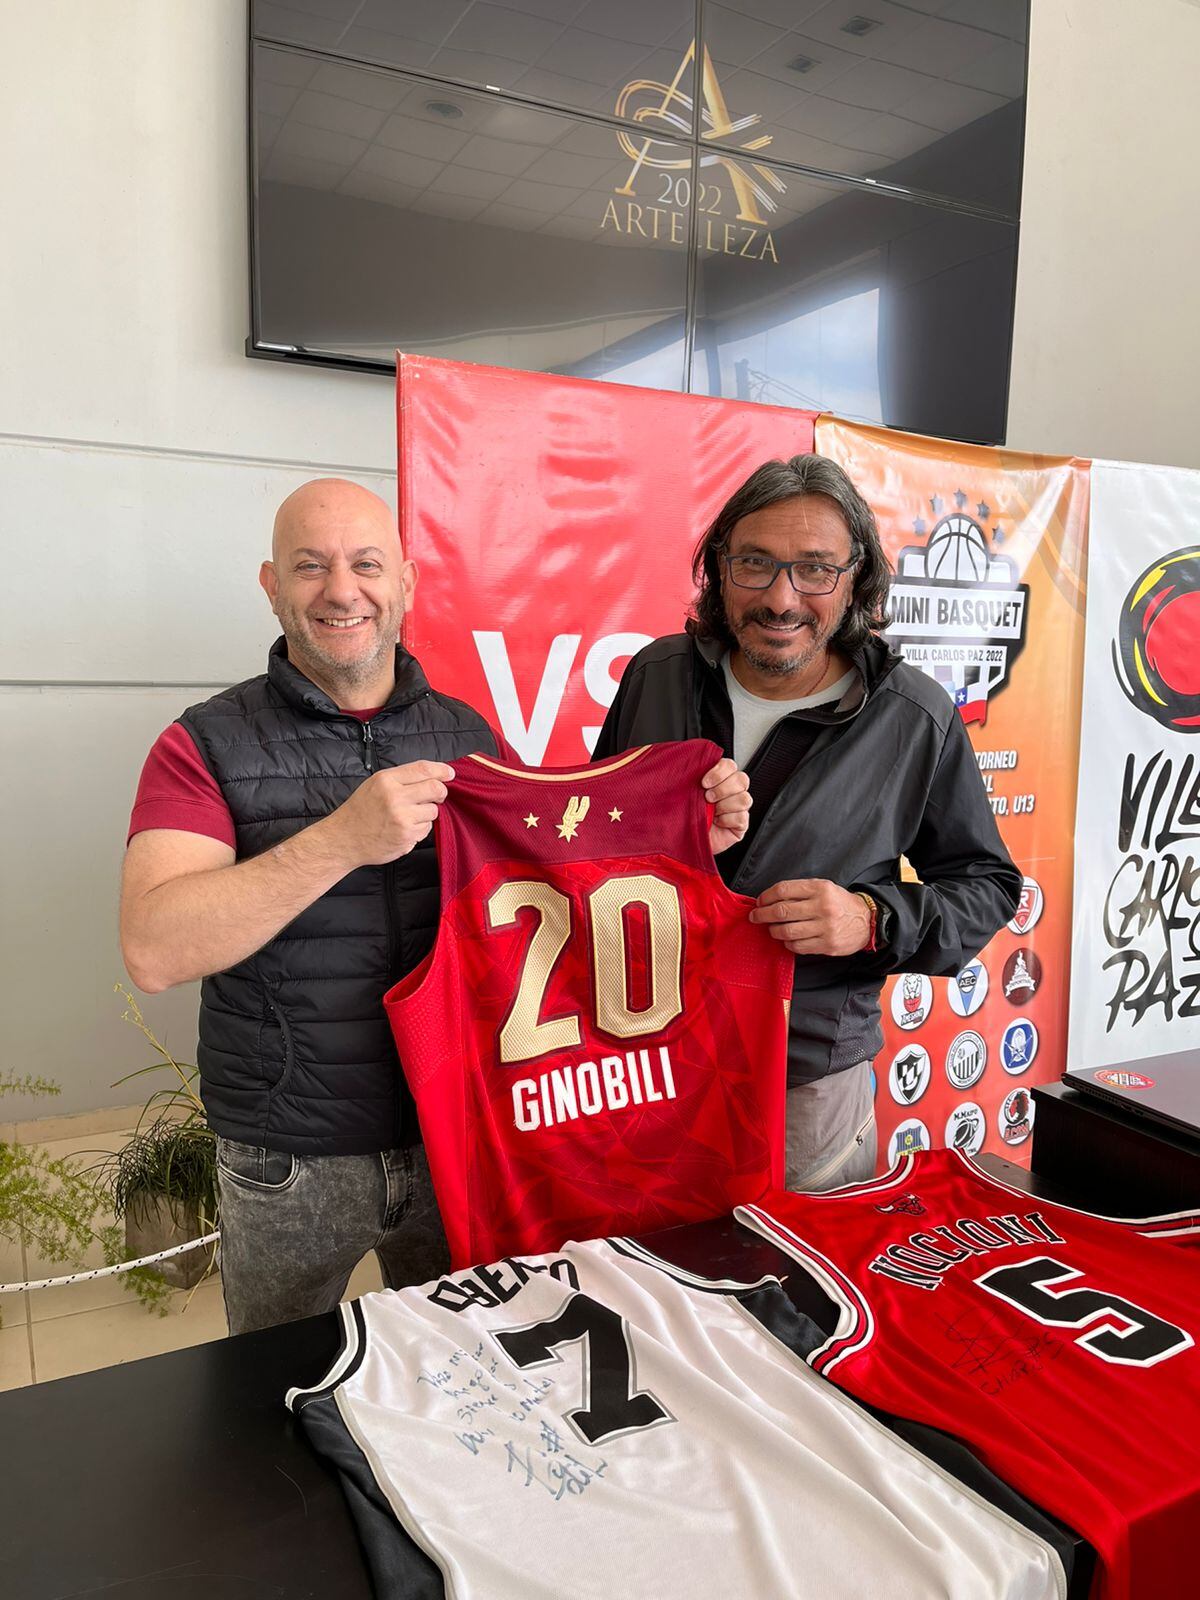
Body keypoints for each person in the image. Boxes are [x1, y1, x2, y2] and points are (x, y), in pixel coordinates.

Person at [120, 478, 750, 1334]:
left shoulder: (468, 737)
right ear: (271, 586)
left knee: (464, 1377)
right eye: (311, 567)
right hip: (290, 1156)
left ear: (408, 583)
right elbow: (154, 948)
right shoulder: (202, 743)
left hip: (459, 1132)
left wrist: (682, 846)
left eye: (366, 564)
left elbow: (558, 899)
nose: (342, 590)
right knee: (271, 1394)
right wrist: (340, 839)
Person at [592, 454, 1022, 1191]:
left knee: (797, 1296)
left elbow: (988, 885)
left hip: (803, 1082)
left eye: (815, 569)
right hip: (635, 1062)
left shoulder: (913, 716)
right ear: (719, 568)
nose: (782, 598)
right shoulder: (656, 674)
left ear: (856, 578)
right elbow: (590, 840)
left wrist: (873, 918)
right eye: (755, 563)